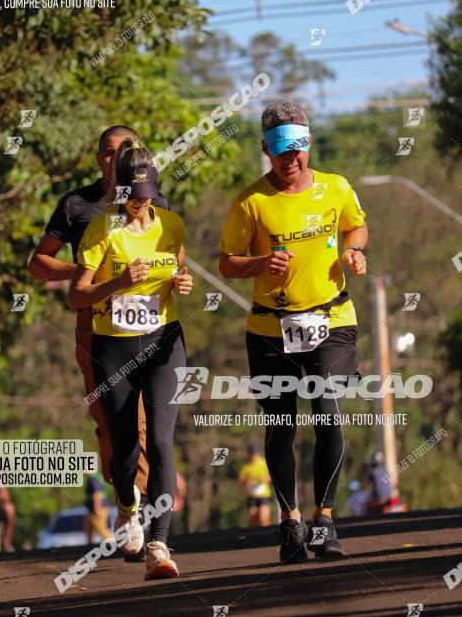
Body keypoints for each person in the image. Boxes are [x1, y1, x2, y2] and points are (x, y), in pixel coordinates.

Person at [219, 101, 368, 564]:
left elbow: (357, 227)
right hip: (269, 326)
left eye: (298, 150)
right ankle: (290, 523)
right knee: (281, 426)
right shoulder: (251, 201)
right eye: (281, 152)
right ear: (265, 149)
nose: (291, 161)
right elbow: (227, 262)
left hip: (332, 320)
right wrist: (261, 263)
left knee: (328, 414)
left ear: (309, 143)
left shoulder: (336, 187)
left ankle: (324, 521)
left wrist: (353, 253)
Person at [29, 127, 170, 516]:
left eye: (126, 150)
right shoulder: (78, 204)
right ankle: (129, 497)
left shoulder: (156, 201)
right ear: (98, 158)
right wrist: (88, 271)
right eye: (108, 152)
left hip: (148, 325)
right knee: (113, 424)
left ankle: (139, 515)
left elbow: (171, 260)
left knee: (142, 423)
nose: (116, 158)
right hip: (95, 327)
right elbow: (37, 264)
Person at [68, 139, 193, 580]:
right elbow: (74, 295)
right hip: (113, 345)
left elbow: (179, 268)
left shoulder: (172, 226)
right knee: (125, 449)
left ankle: (160, 545)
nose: (141, 204)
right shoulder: (102, 229)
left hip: (163, 342)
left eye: (147, 196)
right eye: (133, 196)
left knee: (160, 443)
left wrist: (181, 284)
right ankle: (127, 508)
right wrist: (116, 282)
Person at [238, 444, 272, 526]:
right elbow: (240, 482)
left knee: (263, 518)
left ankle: (269, 534)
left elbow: (272, 475)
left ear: (258, 453)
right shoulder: (246, 467)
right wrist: (246, 481)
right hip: (252, 496)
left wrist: (265, 478)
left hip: (264, 495)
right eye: (251, 453)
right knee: (254, 518)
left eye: (254, 453)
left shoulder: (264, 462)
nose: (253, 456)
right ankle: (260, 536)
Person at [84, 473, 111, 543]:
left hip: (98, 508)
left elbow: (96, 494)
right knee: (88, 527)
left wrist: (97, 509)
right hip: (93, 508)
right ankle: (89, 547)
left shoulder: (93, 479)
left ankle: (111, 543)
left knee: (100, 526)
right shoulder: (97, 477)